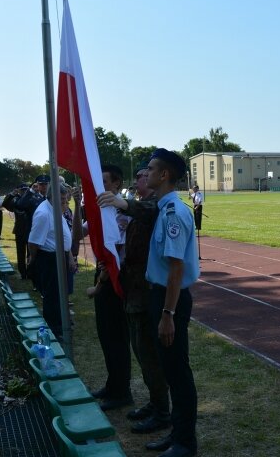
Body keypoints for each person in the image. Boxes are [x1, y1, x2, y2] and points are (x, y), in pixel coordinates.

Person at [99, 163, 172, 435]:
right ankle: (155, 404)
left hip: (146, 290)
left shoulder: (155, 204)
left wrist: (122, 203)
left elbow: (144, 211)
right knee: (141, 352)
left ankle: (163, 411)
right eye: (142, 174)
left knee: (150, 355)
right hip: (134, 289)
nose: (141, 177)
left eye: (143, 174)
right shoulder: (140, 204)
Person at [142, 148, 199, 457]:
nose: (146, 173)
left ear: (164, 175)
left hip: (169, 300)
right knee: (171, 369)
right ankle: (177, 434)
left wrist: (167, 314)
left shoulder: (174, 213)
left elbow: (176, 269)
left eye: (150, 169)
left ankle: (185, 443)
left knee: (178, 372)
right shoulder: (165, 208)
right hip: (162, 297)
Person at [86, 164, 133, 411]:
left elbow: (117, 256)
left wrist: (98, 285)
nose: (100, 186)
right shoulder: (102, 210)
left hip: (114, 280)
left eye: (105, 182)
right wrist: (73, 207)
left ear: (116, 184)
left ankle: (122, 391)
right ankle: (112, 384)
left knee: (116, 338)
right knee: (106, 336)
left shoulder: (122, 213)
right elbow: (78, 236)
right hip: (104, 276)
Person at [27, 184, 75, 338]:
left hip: (60, 256)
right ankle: (54, 329)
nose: (65, 203)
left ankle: (60, 322)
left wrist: (69, 256)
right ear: (51, 197)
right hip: (49, 259)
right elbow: (34, 242)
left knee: (61, 293)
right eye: (62, 200)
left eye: (66, 200)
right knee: (52, 295)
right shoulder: (44, 213)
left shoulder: (55, 208)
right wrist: (33, 259)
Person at [15, 176, 49, 279]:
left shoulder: (52, 197)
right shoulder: (32, 198)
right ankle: (32, 277)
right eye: (41, 184)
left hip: (48, 233)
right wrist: (30, 191)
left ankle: (40, 277)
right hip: (34, 232)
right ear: (37, 185)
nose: (43, 187)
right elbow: (20, 205)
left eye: (45, 184)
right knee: (33, 256)